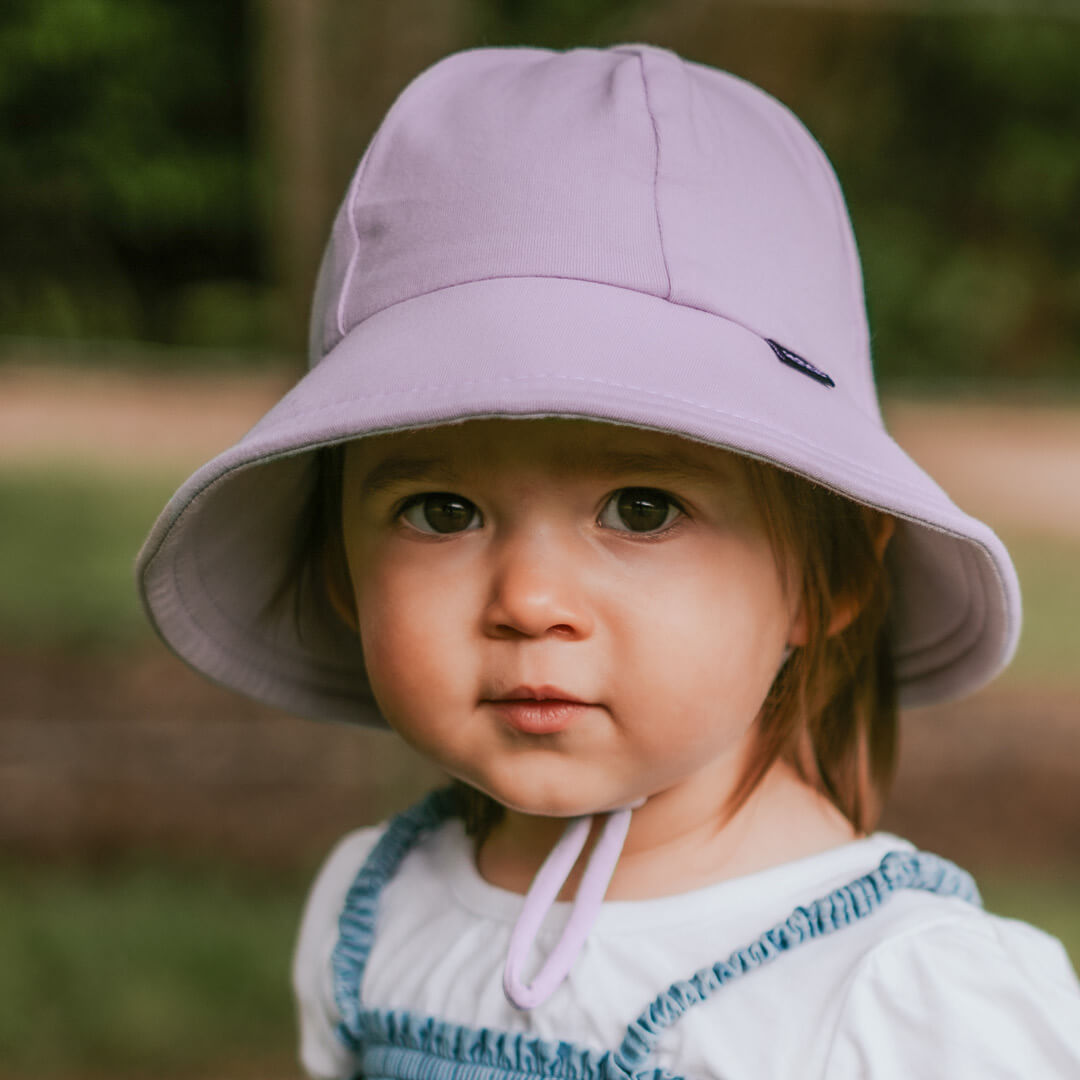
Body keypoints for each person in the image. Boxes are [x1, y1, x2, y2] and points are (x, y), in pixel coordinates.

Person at [137, 44, 1080, 1079]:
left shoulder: (899, 1000)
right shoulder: (372, 914)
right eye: (440, 510)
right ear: (340, 571)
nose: (531, 601)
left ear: (831, 577)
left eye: (642, 508)